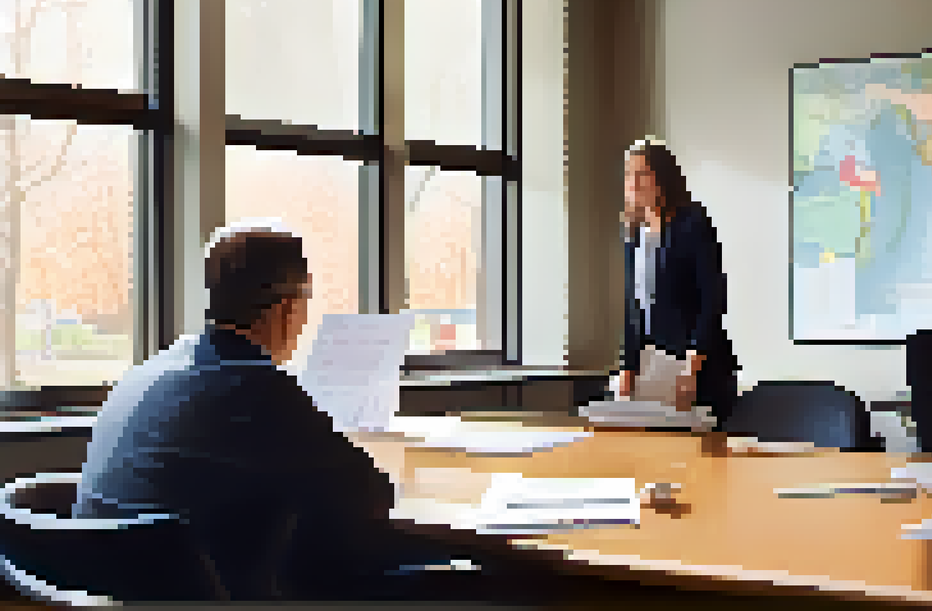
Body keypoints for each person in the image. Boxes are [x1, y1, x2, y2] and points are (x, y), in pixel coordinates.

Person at [73, 222, 537, 601]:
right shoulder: (255, 386)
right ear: (287, 309)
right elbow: (372, 496)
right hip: (213, 595)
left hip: (125, 590)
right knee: (482, 583)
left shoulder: (149, 371)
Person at [616, 139, 741, 425]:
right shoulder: (634, 234)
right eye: (629, 174)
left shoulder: (691, 223)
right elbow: (633, 308)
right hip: (654, 370)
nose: (633, 182)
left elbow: (712, 298)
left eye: (642, 173)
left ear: (662, 179)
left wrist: (691, 366)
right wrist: (627, 368)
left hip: (698, 367)